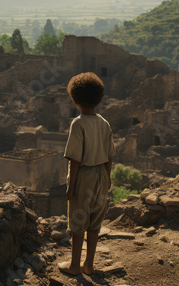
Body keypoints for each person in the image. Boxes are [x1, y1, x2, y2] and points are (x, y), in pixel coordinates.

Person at [58, 72, 114, 276]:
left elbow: (75, 160)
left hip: (84, 176)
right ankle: (89, 264)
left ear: (75, 99)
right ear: (99, 98)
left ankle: (74, 265)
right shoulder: (104, 123)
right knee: (94, 221)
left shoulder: (78, 123)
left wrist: (70, 186)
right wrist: (107, 180)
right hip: (101, 174)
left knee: (78, 220)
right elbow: (109, 157)